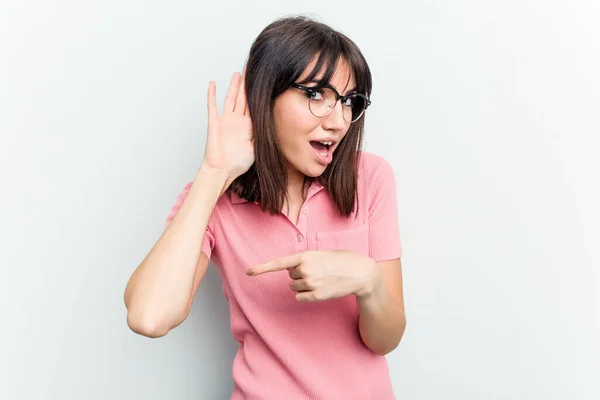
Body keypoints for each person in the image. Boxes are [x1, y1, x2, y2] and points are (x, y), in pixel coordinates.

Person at [124, 15, 406, 400]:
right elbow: (149, 316)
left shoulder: (370, 178)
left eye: (349, 101)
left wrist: (368, 280)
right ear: (266, 95)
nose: (339, 121)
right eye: (315, 95)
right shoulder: (215, 199)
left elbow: (385, 340)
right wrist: (214, 173)